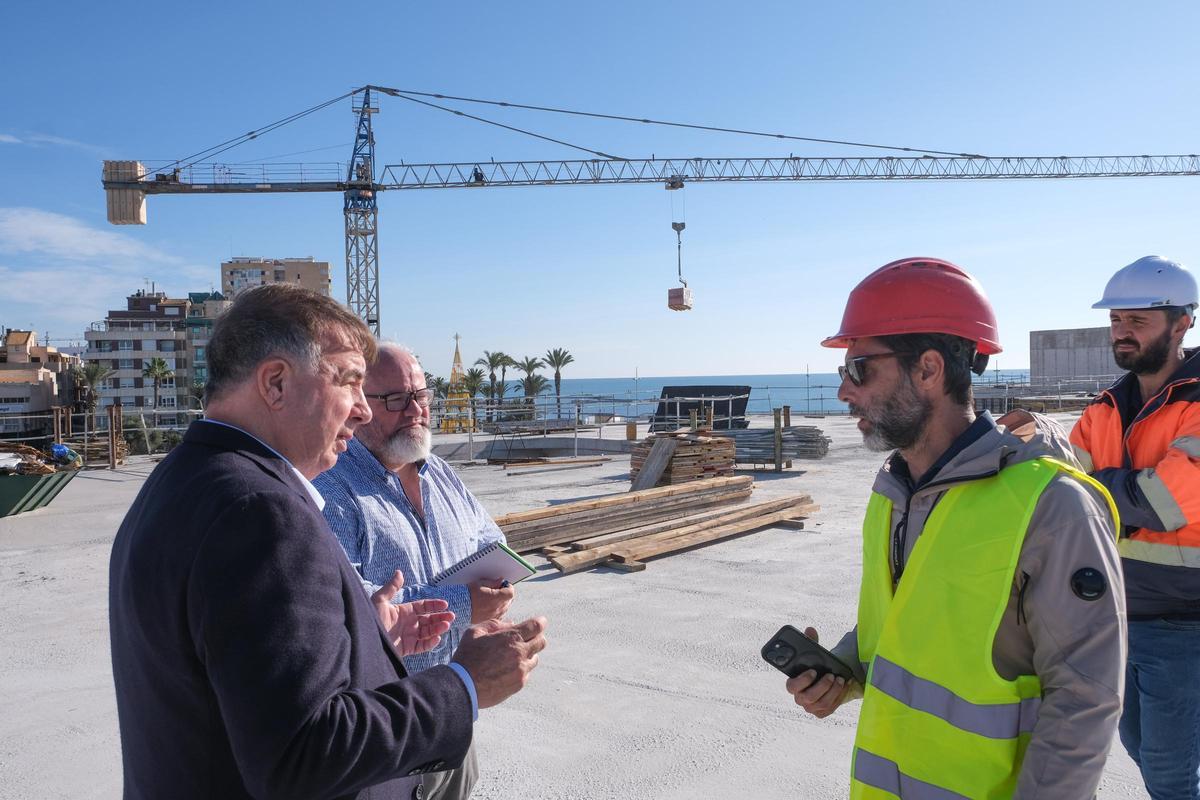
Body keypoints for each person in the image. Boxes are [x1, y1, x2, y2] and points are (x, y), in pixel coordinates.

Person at [109, 284, 548, 800]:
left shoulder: (181, 480)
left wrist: (366, 639)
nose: (362, 411)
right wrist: (466, 685)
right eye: (349, 382)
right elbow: (302, 755)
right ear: (275, 383)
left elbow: (257, 686)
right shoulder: (261, 513)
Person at [786, 257, 1126, 799]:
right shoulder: (892, 492)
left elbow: (1084, 699)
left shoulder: (1054, 507)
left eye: (859, 369)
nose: (844, 393)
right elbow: (904, 631)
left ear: (928, 369)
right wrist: (845, 669)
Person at [315, 344, 514, 800]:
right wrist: (466, 603)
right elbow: (348, 602)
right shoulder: (334, 488)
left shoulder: (440, 473)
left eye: (422, 395)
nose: (416, 410)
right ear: (361, 405)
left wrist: (500, 578)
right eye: (397, 399)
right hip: (388, 728)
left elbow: (489, 537)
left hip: (453, 707)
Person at [1070, 255, 1200, 800]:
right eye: (1117, 321)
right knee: (1141, 747)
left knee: (1171, 773)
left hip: (1184, 621)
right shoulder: (1105, 407)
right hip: (1114, 618)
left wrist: (1099, 485)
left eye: (1138, 321)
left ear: (1182, 323)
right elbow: (1060, 492)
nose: (1123, 333)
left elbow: (1169, 500)